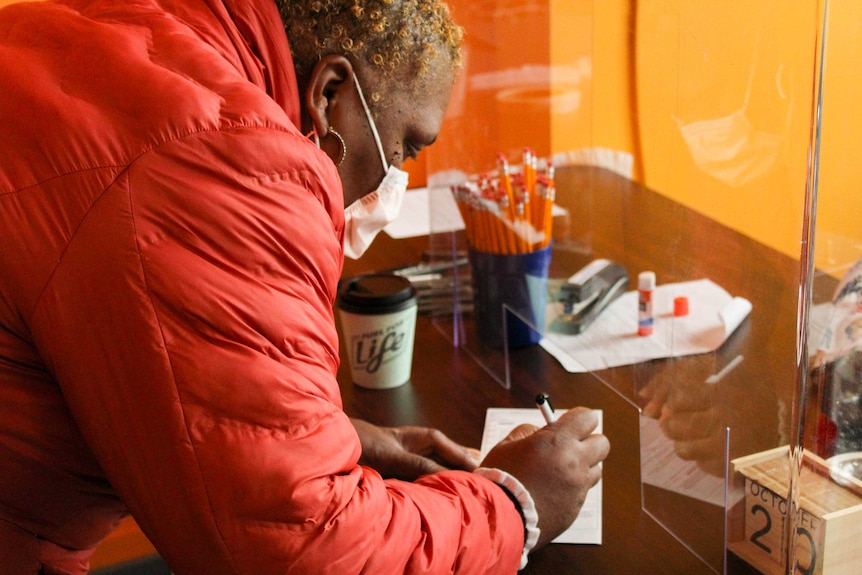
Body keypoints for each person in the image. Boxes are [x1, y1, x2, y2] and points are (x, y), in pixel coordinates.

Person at [0, 0, 610, 573]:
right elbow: (306, 549)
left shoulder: (123, 35)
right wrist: (513, 504)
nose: (393, 179)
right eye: (403, 148)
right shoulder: (222, 161)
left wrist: (337, 438)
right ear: (330, 94)